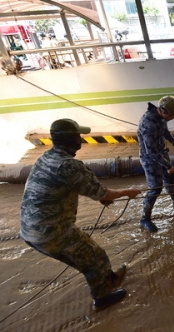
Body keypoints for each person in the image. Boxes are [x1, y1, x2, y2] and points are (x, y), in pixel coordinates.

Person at [20, 119, 142, 311]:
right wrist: (128, 192)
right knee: (96, 257)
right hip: (52, 231)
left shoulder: (46, 158)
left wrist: (101, 196)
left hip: (29, 231)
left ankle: (107, 279)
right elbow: (104, 194)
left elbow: (72, 187)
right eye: (77, 135)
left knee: (85, 258)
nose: (80, 139)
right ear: (69, 138)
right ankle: (102, 298)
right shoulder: (70, 165)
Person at [138, 95, 174, 233]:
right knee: (156, 188)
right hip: (150, 158)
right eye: (173, 116)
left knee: (170, 179)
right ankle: (145, 218)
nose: (173, 118)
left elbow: (165, 132)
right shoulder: (148, 124)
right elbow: (151, 152)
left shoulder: (161, 118)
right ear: (164, 111)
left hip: (162, 153)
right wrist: (168, 165)